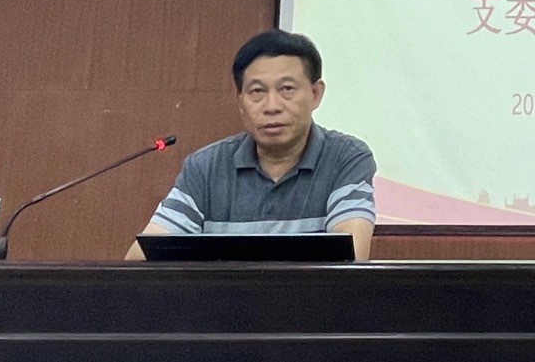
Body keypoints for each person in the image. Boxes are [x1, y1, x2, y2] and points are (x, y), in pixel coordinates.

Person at [125, 29, 376, 260]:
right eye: (257, 91)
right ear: (240, 100)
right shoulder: (206, 167)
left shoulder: (346, 158)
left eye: (287, 89)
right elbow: (141, 260)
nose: (272, 106)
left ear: (315, 94)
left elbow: (350, 258)